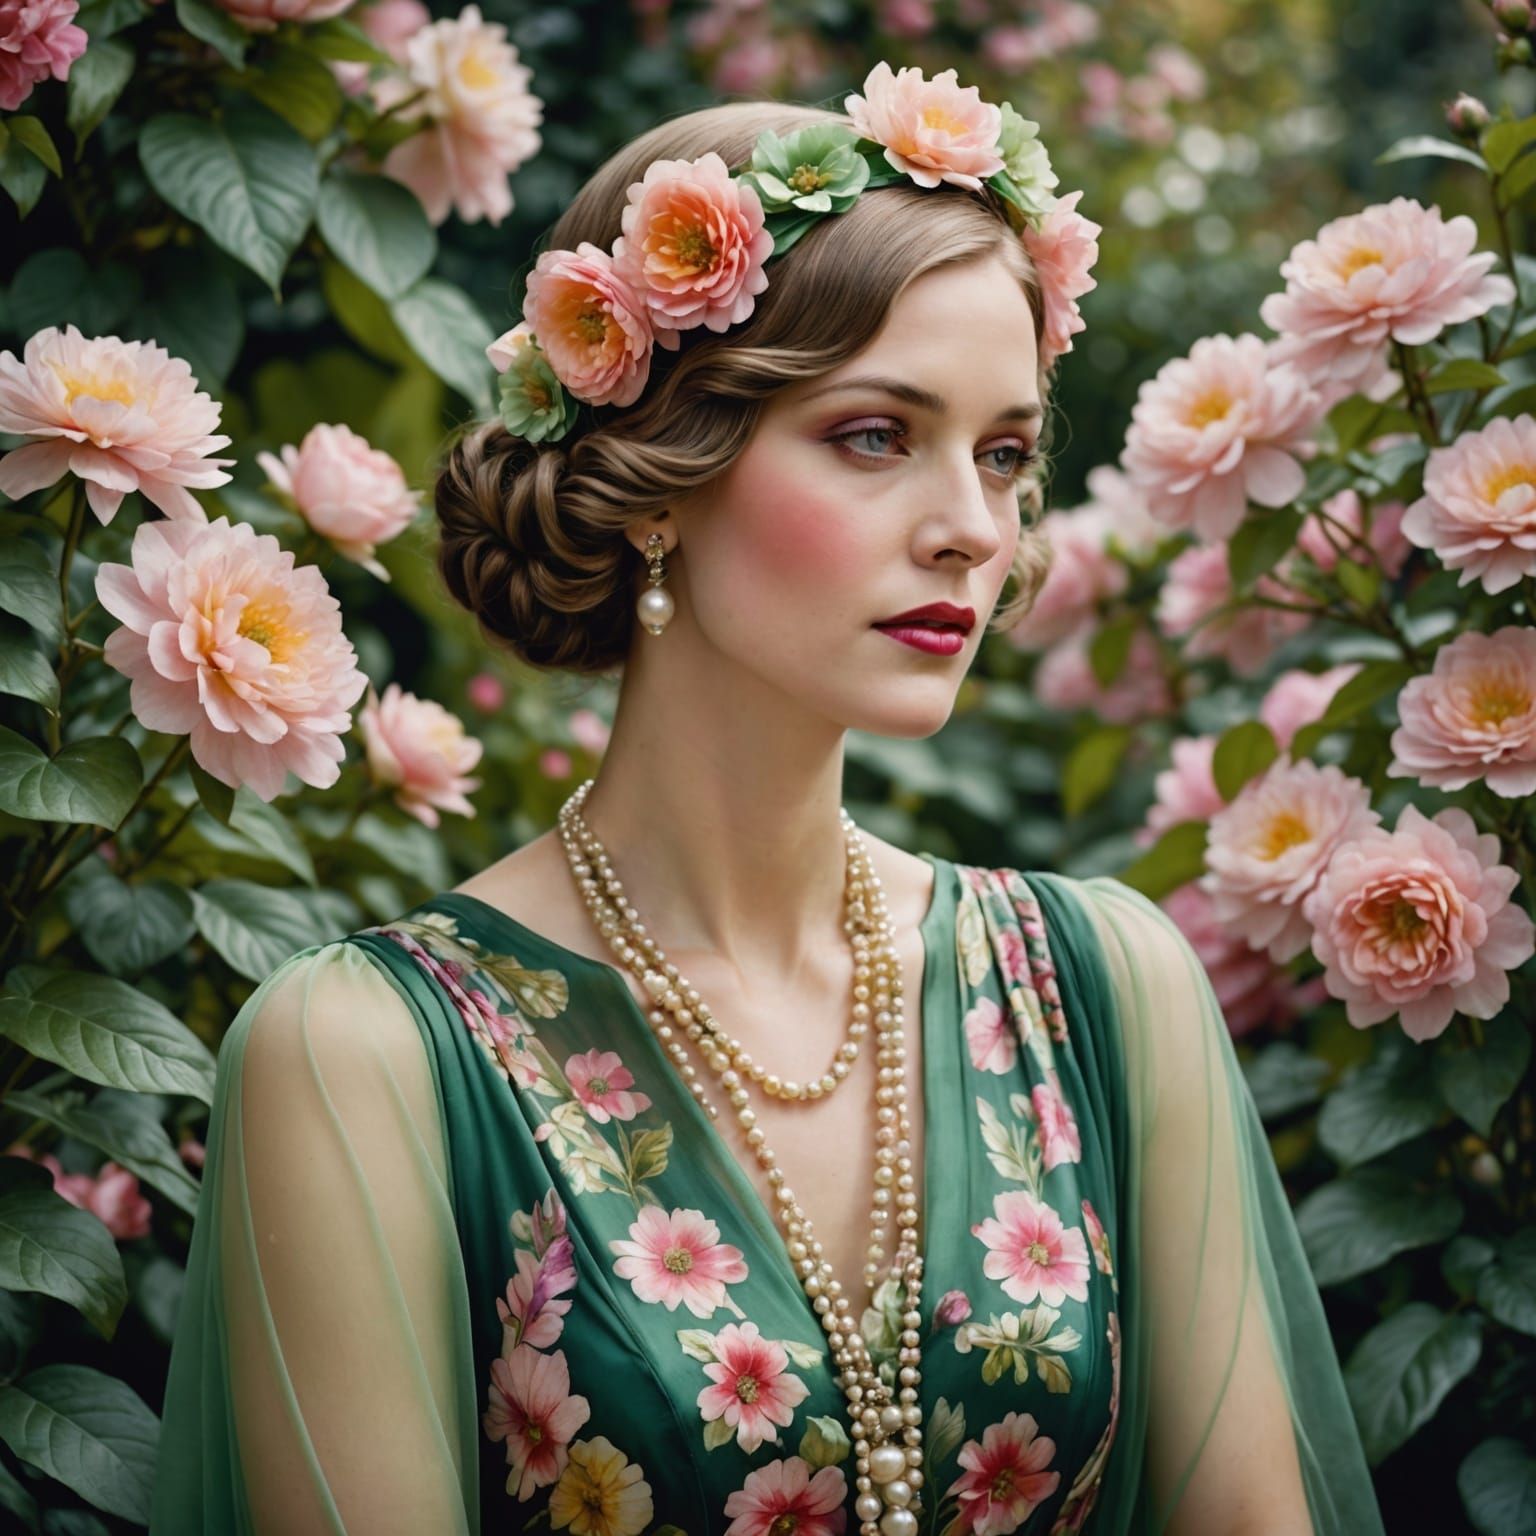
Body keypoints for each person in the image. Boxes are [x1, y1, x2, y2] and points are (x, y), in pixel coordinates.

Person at [149, 65, 1384, 1536]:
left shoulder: (1105, 991)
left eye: (1003, 452)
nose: (973, 530)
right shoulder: (362, 1058)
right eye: (875, 436)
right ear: (661, 470)